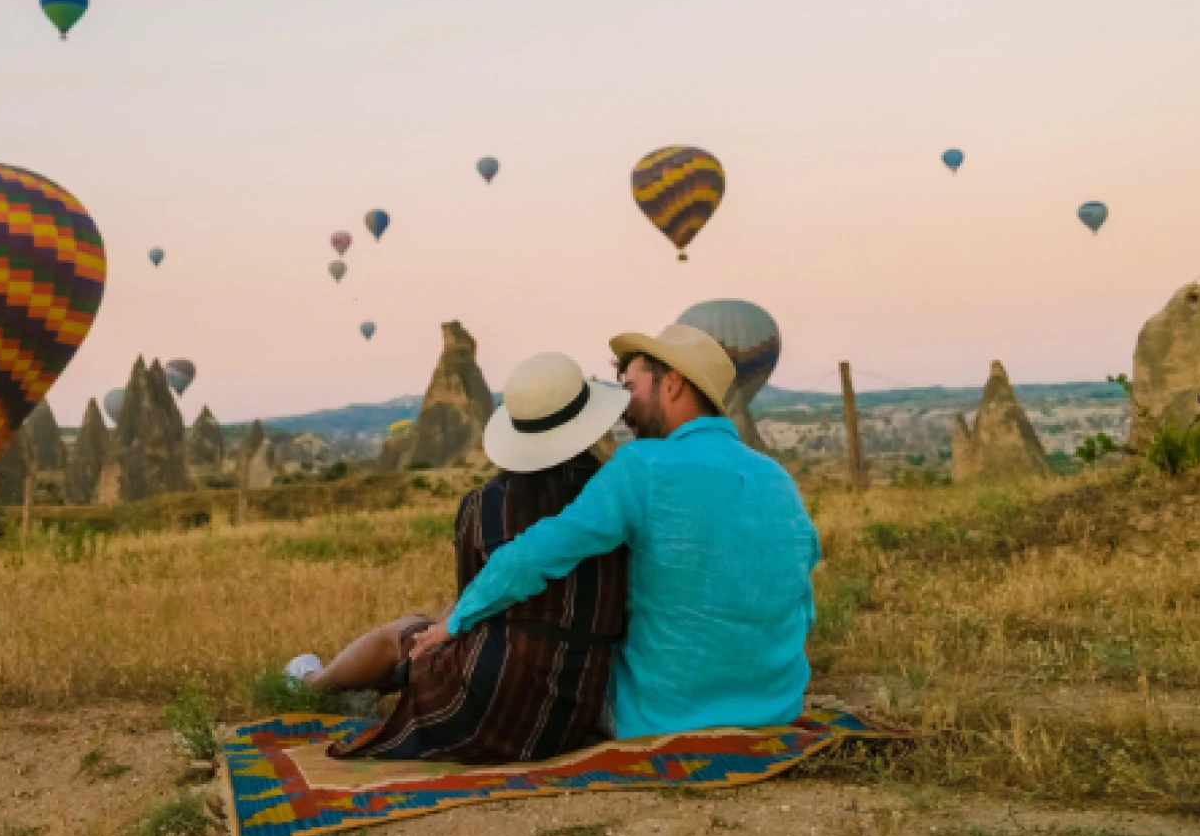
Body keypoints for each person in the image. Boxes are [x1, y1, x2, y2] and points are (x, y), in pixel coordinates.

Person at [410, 324, 821, 739]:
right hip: (776, 708)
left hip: (662, 716)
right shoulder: (778, 478)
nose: (625, 405)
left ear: (674, 384)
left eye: (631, 387)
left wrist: (457, 619)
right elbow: (803, 603)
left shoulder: (642, 464)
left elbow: (541, 551)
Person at [285, 351, 632, 763]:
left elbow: (472, 599)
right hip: (570, 712)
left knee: (410, 632)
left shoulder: (485, 505)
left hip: (484, 708)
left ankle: (312, 683)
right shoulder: (617, 501)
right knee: (431, 634)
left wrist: (437, 630)